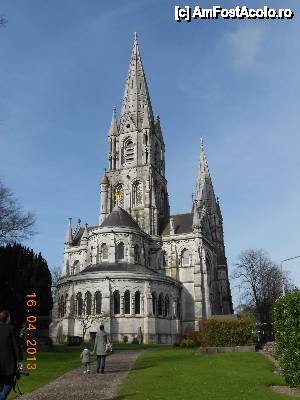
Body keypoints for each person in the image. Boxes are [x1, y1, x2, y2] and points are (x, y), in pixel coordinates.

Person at [0, 310, 21, 400]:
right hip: (9, 365)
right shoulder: (10, 329)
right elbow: (16, 347)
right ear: (8, 318)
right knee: (8, 385)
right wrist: (20, 362)